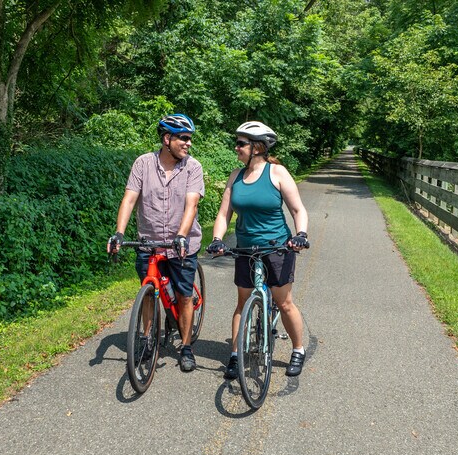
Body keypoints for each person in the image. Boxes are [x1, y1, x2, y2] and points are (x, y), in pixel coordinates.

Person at [206, 121, 310, 379]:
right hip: (245, 249)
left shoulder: (277, 173)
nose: (236, 147)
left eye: (241, 143)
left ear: (258, 147)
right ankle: (235, 355)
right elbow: (223, 213)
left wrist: (301, 235)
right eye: (237, 142)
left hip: (277, 247)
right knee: (242, 302)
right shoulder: (235, 176)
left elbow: (298, 210)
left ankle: (298, 349)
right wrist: (218, 238)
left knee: (284, 303)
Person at [108, 113, 204, 372]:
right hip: (148, 244)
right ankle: (148, 339)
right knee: (149, 295)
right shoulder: (142, 164)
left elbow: (191, 205)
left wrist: (181, 235)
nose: (188, 143)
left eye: (189, 139)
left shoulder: (193, 167)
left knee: (184, 296)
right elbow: (129, 199)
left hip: (181, 246)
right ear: (166, 139)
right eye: (184, 138)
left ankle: (186, 347)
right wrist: (118, 233)